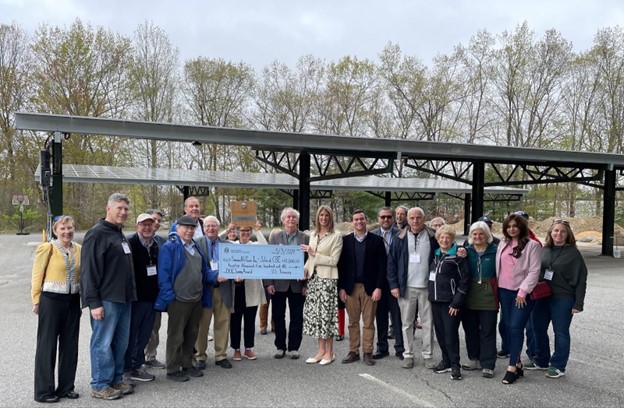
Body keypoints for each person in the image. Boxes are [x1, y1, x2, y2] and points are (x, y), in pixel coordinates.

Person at [80, 193, 136, 400]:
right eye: (119, 208)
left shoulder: (118, 233)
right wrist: (94, 302)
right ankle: (100, 384)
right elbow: (89, 272)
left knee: (120, 343)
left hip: (124, 298)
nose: (123, 212)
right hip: (106, 299)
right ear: (108, 209)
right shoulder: (97, 234)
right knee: (102, 342)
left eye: (126, 209)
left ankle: (115, 379)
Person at [155, 215, 218, 382]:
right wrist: (170, 296)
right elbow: (164, 274)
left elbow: (205, 272)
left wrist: (219, 275)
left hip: (196, 298)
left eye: (192, 228)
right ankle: (173, 368)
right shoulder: (171, 247)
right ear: (177, 228)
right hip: (179, 299)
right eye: (185, 227)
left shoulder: (195, 246)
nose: (189, 231)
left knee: (191, 333)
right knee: (176, 335)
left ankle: (187, 364)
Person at [31, 215, 81, 403]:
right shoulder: (48, 248)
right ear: (55, 231)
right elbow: (37, 275)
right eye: (63, 229)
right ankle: (44, 391)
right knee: (47, 345)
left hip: (72, 300)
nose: (67, 232)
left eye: (70, 228)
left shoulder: (79, 249)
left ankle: (66, 387)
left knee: (70, 345)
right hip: (51, 301)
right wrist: (36, 300)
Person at [531, 220, 588, 379]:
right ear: (550, 233)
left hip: (563, 298)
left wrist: (578, 303)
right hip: (542, 297)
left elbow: (581, 279)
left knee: (561, 332)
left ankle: (558, 365)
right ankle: (541, 360)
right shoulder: (544, 250)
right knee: (538, 328)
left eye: (563, 231)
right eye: (556, 231)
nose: (559, 234)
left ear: (568, 234)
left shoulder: (573, 254)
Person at [387, 207, 438, 370]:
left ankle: (428, 355)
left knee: (428, 323)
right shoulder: (399, 237)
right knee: (407, 323)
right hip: (406, 288)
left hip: (427, 288)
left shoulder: (433, 237)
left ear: (424, 218)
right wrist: (394, 285)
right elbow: (391, 263)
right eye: (412, 218)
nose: (415, 221)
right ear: (407, 220)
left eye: (418, 218)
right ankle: (408, 354)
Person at [496, 213, 542, 384]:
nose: (512, 229)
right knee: (508, 327)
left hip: (521, 294)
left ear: (522, 227)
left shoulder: (533, 245)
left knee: (516, 327)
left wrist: (523, 292)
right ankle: (519, 364)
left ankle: (512, 367)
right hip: (504, 292)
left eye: (515, 226)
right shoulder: (503, 243)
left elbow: (534, 271)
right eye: (508, 226)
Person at [338, 209, 387, 366]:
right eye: (356, 219)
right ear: (352, 222)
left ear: (366, 221)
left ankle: (367, 352)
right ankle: (353, 351)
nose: (359, 222)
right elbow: (341, 266)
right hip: (350, 288)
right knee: (352, 322)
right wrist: (341, 288)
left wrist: (379, 287)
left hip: (370, 288)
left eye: (361, 219)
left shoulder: (377, 241)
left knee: (368, 322)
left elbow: (382, 266)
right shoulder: (344, 241)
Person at [265, 207, 310, 360]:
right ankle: (280, 346)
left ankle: (294, 347)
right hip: (278, 284)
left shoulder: (305, 238)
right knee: (278, 316)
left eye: (293, 217)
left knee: (297, 316)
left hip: (298, 284)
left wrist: (306, 285)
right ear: (283, 220)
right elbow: (268, 261)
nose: (291, 219)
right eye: (288, 217)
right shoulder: (275, 237)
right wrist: (268, 283)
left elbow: (310, 262)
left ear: (297, 220)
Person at [301, 205, 343, 366]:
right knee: (317, 316)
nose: (323, 218)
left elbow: (334, 261)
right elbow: (310, 259)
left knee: (327, 316)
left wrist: (314, 254)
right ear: (317, 217)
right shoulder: (313, 234)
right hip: (314, 280)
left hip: (327, 280)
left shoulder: (336, 236)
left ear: (330, 217)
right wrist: (305, 269)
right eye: (321, 215)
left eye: (326, 215)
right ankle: (320, 351)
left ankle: (330, 352)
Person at [429, 225, 470, 380]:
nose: (444, 240)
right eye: (441, 237)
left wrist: (456, 303)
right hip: (435, 300)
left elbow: (465, 281)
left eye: (447, 237)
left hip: (450, 303)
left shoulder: (459, 257)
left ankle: (455, 365)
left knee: (450, 334)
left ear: (452, 239)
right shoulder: (436, 254)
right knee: (440, 333)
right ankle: (445, 361)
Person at [193, 216, 234, 370]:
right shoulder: (197, 244)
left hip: (224, 290)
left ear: (219, 227)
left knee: (223, 323)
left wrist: (237, 276)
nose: (211, 228)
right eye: (208, 226)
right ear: (204, 228)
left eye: (214, 226)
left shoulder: (228, 245)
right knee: (202, 325)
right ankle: (200, 356)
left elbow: (236, 266)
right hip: (205, 290)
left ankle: (221, 355)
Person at [123, 214, 159, 384]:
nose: (147, 228)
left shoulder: (156, 245)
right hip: (136, 299)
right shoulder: (130, 244)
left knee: (145, 335)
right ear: (137, 225)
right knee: (132, 335)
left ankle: (137, 365)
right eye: (144, 225)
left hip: (151, 299)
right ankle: (127, 368)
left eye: (150, 225)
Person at [461, 221, 499, 378]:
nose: (477, 237)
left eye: (481, 233)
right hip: (469, 295)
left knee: (488, 331)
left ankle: (488, 364)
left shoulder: (496, 251)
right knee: (470, 330)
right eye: (474, 234)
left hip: (488, 297)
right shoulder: (465, 251)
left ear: (487, 235)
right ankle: (474, 359)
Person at [229, 222, 267, 361]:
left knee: (250, 321)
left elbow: (266, 247)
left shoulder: (255, 246)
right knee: (235, 321)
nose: (244, 233)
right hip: (235, 289)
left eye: (247, 231)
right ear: (238, 232)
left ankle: (248, 348)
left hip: (251, 289)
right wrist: (228, 229)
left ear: (250, 232)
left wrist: (258, 231)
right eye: (242, 230)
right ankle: (236, 349)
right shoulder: (231, 245)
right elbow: (216, 240)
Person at [370, 206, 404, 360]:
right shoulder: (372, 236)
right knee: (381, 317)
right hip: (378, 283)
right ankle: (382, 347)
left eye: (389, 217)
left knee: (397, 317)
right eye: (383, 217)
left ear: (393, 219)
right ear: (378, 219)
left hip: (395, 283)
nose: (386, 219)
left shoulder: (402, 234)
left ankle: (400, 349)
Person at [143, 208, 166, 369]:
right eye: (153, 220)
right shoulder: (133, 241)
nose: (155, 223)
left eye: (158, 221)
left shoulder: (160, 242)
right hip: (139, 294)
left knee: (155, 326)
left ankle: (151, 356)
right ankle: (138, 358)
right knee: (140, 327)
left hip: (156, 292)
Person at [259, 227, 281, 335]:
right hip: (265, 280)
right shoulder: (266, 247)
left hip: (278, 281)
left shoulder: (282, 249)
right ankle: (263, 325)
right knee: (264, 303)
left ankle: (274, 324)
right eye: (274, 236)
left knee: (276, 304)